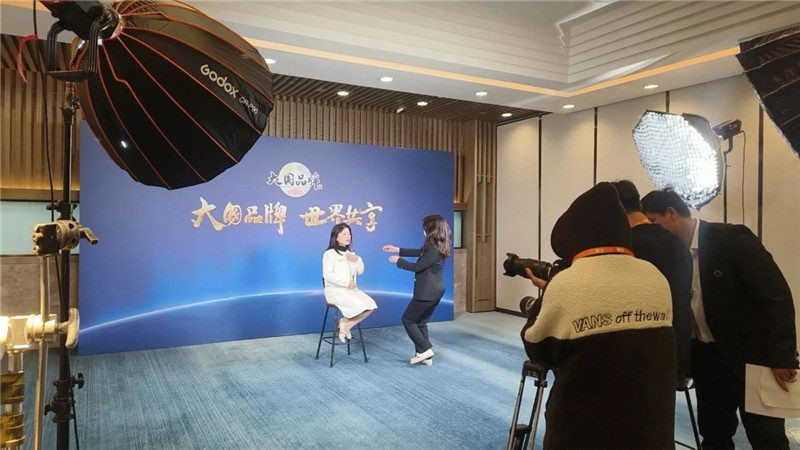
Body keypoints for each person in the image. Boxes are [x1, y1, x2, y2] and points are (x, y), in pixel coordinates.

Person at [522, 182, 676, 449]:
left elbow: (537, 347)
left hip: (583, 432)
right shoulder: (656, 276)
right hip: (652, 432)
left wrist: (542, 303)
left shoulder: (567, 283)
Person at [641, 187, 798, 449]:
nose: (652, 231)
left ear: (671, 213)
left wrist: (783, 356)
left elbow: (775, 296)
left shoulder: (731, 239)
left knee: (767, 438)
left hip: (752, 359)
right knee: (714, 435)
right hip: (706, 360)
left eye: (653, 222)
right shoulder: (670, 257)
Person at [612, 179, 693, 389]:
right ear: (640, 206)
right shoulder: (678, 243)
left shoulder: (624, 247)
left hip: (636, 356)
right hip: (676, 352)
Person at [383, 214, 451, 366]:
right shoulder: (437, 246)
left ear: (432, 230)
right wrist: (397, 249)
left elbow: (417, 267)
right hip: (435, 291)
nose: (423, 231)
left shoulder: (433, 250)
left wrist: (398, 260)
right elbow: (419, 252)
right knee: (421, 322)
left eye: (425, 229)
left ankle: (425, 349)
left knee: (407, 320)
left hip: (427, 292)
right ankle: (424, 356)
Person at [322, 223, 377, 343]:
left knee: (371, 305)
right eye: (344, 234)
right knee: (360, 305)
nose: (348, 236)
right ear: (336, 237)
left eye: (349, 234)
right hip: (335, 291)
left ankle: (345, 324)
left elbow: (360, 271)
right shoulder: (330, 254)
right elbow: (328, 275)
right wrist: (346, 282)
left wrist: (357, 260)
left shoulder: (351, 254)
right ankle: (344, 326)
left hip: (352, 290)